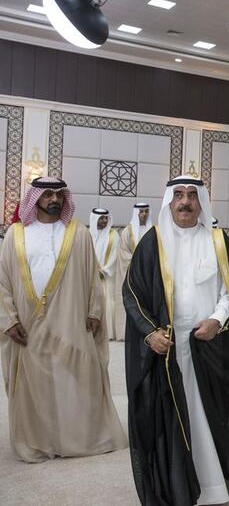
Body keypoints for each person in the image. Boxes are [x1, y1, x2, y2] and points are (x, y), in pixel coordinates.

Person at [123, 176, 229, 504]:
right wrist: (150, 333)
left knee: (208, 414)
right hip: (165, 350)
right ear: (168, 201)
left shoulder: (218, 241)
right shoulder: (153, 242)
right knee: (170, 416)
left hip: (206, 346)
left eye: (192, 195)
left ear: (201, 201)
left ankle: (211, 485)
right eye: (178, 195)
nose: (185, 202)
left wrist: (216, 320)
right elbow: (132, 293)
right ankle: (177, 486)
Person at [0, 177, 126, 462]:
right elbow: (2, 281)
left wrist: (94, 311)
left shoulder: (78, 233)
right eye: (47, 195)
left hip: (71, 319)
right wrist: (7, 319)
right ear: (35, 198)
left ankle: (77, 439)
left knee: (75, 378)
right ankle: (40, 442)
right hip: (27, 322)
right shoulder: (15, 234)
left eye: (59, 195)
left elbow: (92, 277)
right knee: (34, 383)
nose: (54, 200)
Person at [116, 202, 153, 340]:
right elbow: (123, 253)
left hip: (149, 275)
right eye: (141, 211)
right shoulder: (127, 231)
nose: (143, 214)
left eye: (146, 211)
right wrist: (138, 263)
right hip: (131, 274)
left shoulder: (153, 231)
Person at [90, 207, 120, 342]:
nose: (104, 221)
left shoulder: (114, 235)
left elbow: (115, 256)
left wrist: (104, 271)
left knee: (108, 302)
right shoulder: (87, 234)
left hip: (107, 276)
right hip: (90, 276)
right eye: (101, 218)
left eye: (105, 218)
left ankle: (108, 333)